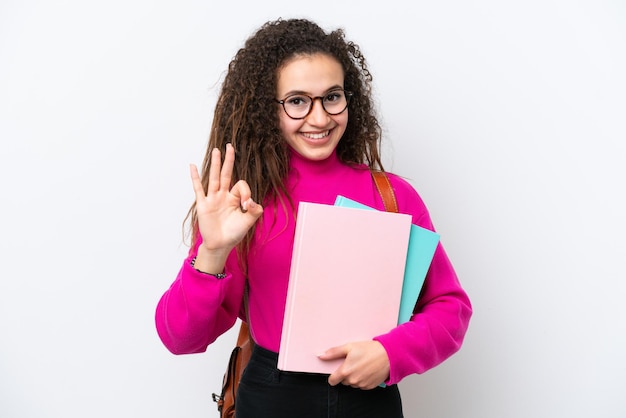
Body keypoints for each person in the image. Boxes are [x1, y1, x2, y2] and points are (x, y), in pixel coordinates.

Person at [155, 18, 472, 418]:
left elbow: (450, 307)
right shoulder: (245, 205)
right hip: (272, 396)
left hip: (369, 398)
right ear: (267, 109)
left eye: (332, 97)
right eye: (298, 101)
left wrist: (391, 353)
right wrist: (213, 252)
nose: (320, 119)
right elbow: (180, 338)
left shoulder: (393, 196)